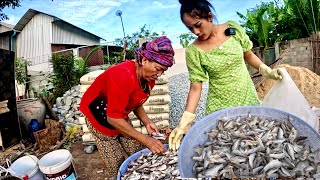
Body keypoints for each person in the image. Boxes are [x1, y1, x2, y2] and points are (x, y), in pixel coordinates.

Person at [169, 0, 282, 151]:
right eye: (190, 28)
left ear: (209, 17)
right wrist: (186, 119)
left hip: (247, 97)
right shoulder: (193, 51)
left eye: (197, 25)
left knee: (255, 144)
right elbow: (196, 87)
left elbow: (247, 54)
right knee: (226, 150)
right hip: (220, 107)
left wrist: (265, 70)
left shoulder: (232, 28)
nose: (195, 32)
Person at [79, 36, 175, 178]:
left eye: (163, 71)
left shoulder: (148, 77)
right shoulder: (122, 76)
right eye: (158, 69)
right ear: (144, 60)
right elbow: (112, 118)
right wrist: (147, 140)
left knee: (135, 149)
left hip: (118, 113)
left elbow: (136, 102)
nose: (159, 74)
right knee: (116, 162)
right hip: (99, 114)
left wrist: (147, 122)